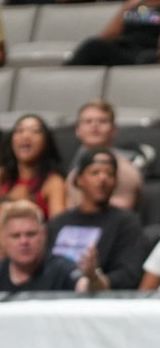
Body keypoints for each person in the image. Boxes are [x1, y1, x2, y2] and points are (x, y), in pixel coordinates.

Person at [47, 149, 149, 293]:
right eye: (95, 173)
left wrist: (95, 279)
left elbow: (129, 274)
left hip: (102, 302)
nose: (103, 179)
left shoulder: (127, 223)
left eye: (109, 174)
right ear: (79, 180)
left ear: (115, 182)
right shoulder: (58, 223)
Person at [66, 101, 145, 212]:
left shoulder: (125, 170)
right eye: (88, 121)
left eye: (102, 121)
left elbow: (120, 215)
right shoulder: (74, 171)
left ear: (114, 130)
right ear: (77, 130)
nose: (94, 126)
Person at [0, 200, 78, 293]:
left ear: (44, 235)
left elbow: (87, 288)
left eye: (31, 234)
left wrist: (93, 278)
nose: (24, 241)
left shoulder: (62, 269)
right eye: (16, 236)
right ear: (3, 240)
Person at [0, 114, 67, 221]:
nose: (25, 136)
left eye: (35, 131)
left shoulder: (53, 182)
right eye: (19, 131)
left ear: (46, 142)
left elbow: (58, 228)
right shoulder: (3, 175)